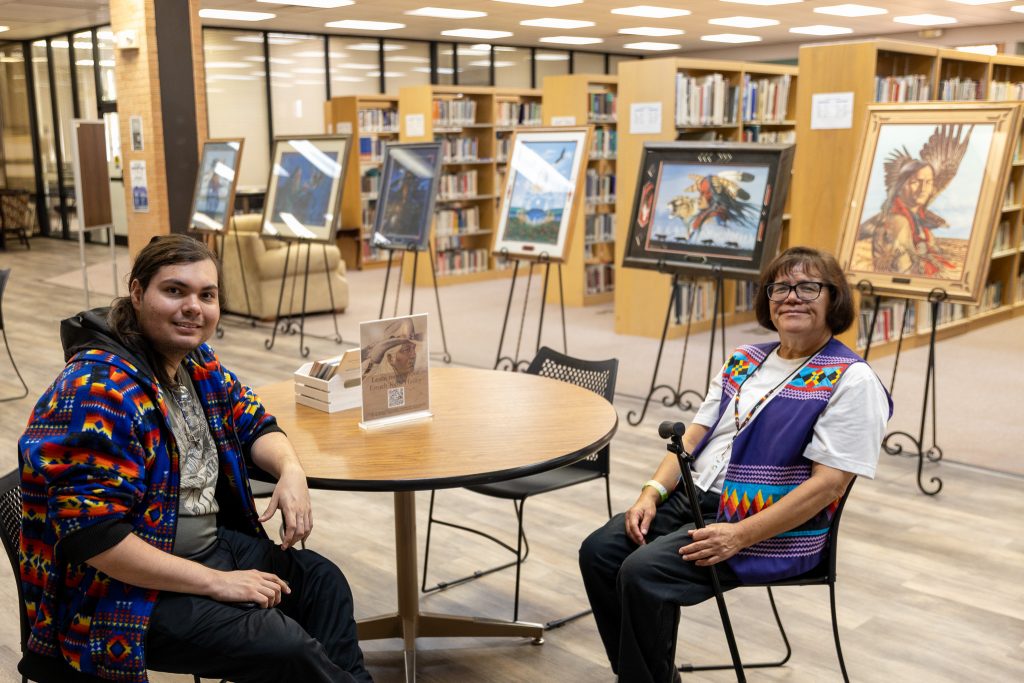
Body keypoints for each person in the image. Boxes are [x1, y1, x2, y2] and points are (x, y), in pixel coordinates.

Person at [18, 235, 372, 683]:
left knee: (323, 583)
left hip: (204, 548)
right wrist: (220, 583)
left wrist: (291, 469)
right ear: (137, 292)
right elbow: (96, 539)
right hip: (120, 593)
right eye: (174, 291)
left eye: (207, 295)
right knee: (284, 646)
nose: (194, 307)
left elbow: (253, 421)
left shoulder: (194, 359)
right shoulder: (98, 389)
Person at [579, 246, 892, 683]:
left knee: (642, 573)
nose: (791, 297)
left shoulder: (850, 378)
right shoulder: (745, 358)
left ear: (834, 298)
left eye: (808, 287)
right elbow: (692, 436)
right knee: (600, 553)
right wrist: (651, 492)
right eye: (780, 287)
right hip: (695, 497)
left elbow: (828, 487)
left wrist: (739, 535)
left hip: (765, 524)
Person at [860, 124, 972, 277]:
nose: (923, 189)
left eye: (928, 182)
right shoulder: (899, 222)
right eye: (915, 182)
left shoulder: (919, 213)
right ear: (901, 185)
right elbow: (903, 271)